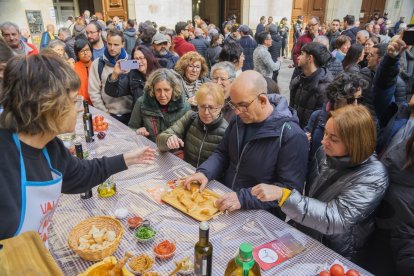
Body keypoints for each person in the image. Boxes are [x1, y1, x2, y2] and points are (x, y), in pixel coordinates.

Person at [0, 53, 155, 241]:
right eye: (74, 101)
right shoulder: (6, 158)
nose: (80, 108)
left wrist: (128, 158)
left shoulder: (50, 146)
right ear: (47, 105)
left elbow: (78, 175)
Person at [252, 105, 388, 261]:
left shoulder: (373, 176)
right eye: (325, 133)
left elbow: (336, 219)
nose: (324, 141)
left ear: (355, 142)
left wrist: (284, 195)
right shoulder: (324, 152)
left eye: (333, 138)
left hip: (334, 249)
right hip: (304, 231)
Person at [184, 70, 308, 217]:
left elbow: (289, 191)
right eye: (234, 105)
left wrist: (243, 198)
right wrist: (205, 172)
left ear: (262, 100)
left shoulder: (292, 136)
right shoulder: (240, 119)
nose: (236, 112)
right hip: (227, 200)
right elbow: (222, 153)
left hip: (262, 216)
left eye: (242, 105)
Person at [366, 37, 414, 276]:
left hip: (401, 220)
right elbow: (382, 90)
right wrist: (391, 59)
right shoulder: (402, 112)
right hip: (377, 203)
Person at [304, 72, 368, 177]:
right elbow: (307, 148)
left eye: (360, 99)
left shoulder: (360, 126)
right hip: (315, 179)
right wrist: (303, 141)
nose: (356, 104)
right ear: (336, 99)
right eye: (351, 100)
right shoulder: (317, 117)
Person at [157, 82, 228, 167]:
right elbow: (160, 141)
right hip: (187, 173)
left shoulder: (227, 130)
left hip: (209, 178)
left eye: (211, 108)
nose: (206, 112)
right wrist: (168, 139)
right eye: (202, 106)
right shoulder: (190, 118)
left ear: (220, 107)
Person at [128, 68, 190, 141]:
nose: (162, 95)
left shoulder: (185, 107)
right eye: (158, 90)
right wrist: (137, 131)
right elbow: (131, 129)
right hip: (149, 148)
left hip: (174, 151)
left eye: (166, 90)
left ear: (174, 89)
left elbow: (189, 136)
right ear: (152, 89)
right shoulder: (141, 102)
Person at [88, 29, 132, 125]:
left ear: (122, 44)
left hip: (131, 115)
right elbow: (93, 92)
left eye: (116, 45)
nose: (112, 48)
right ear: (106, 43)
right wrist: (105, 112)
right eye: (109, 44)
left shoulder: (131, 62)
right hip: (109, 115)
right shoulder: (98, 64)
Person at [290, 42, 333, 128]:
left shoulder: (324, 87)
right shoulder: (299, 80)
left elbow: (319, 120)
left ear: (310, 58)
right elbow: (292, 108)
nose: (298, 57)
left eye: (302, 54)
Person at [73, 39, 93, 105]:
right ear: (77, 54)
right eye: (82, 51)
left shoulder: (96, 65)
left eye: (87, 50)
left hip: (96, 104)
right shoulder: (73, 68)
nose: (85, 53)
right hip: (80, 105)